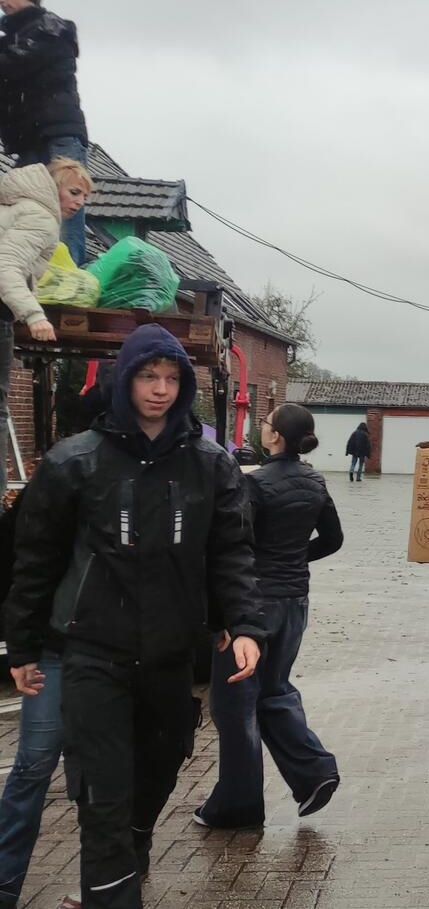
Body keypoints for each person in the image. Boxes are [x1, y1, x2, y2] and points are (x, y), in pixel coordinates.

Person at [4, 323, 265, 909]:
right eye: (148, 376)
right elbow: (35, 560)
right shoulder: (75, 461)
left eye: (171, 378)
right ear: (126, 379)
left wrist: (245, 624)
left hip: (171, 656)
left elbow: (231, 550)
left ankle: (132, 851)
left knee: (159, 771)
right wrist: (22, 645)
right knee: (103, 794)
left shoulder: (210, 464)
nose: (160, 389)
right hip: (94, 652)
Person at [194, 402, 343, 829]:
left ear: (275, 436)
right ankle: (314, 772)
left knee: (234, 705)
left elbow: (236, 545)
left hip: (253, 607)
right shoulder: (315, 481)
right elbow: (333, 539)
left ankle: (236, 807)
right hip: (295, 602)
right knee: (273, 691)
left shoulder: (254, 484)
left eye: (266, 422)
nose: (262, 426)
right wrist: (294, 559)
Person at [0, 158, 90, 493]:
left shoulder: (17, 206)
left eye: (84, 197)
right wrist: (34, 314)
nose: (79, 202)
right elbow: (5, 265)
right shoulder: (40, 216)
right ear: (53, 187)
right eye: (74, 192)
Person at [0, 0, 91, 263]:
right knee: (26, 207)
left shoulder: (52, 29)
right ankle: (29, 272)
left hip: (58, 133)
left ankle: (68, 275)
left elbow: (15, 64)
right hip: (29, 138)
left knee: (66, 207)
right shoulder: (11, 40)